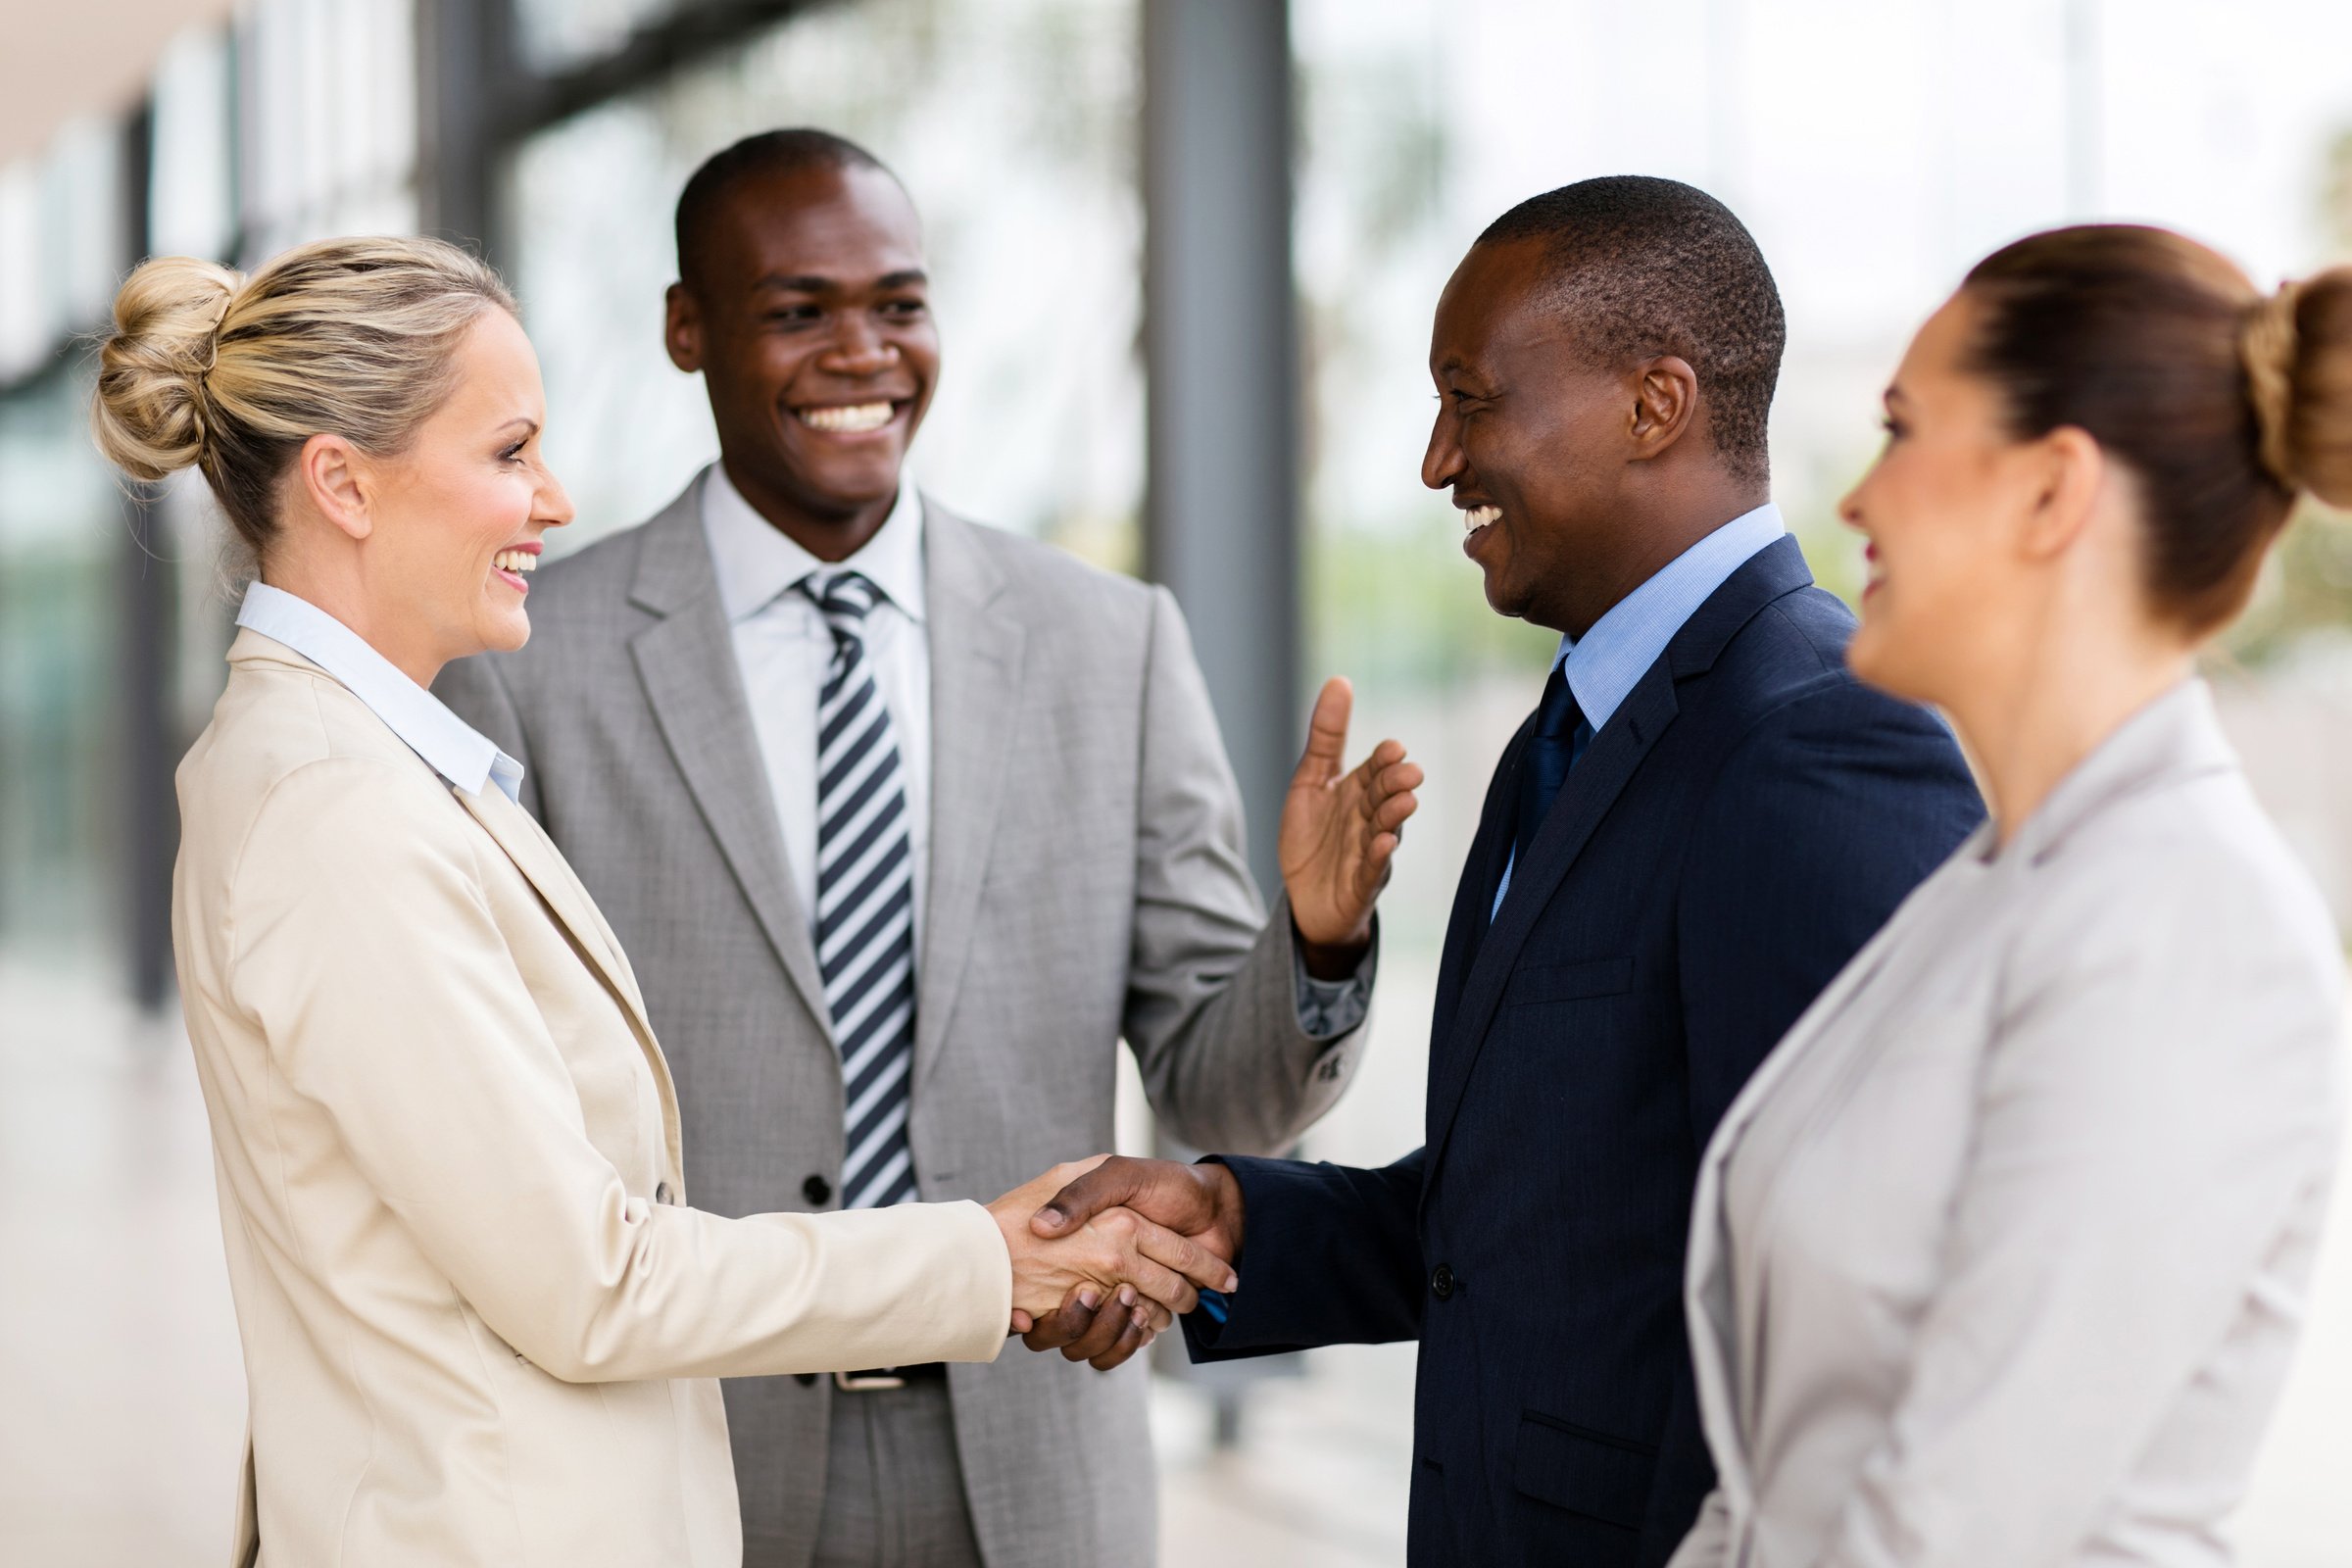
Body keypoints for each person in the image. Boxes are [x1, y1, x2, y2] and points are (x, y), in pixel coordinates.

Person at [94, 236, 1233, 1568]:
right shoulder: (333, 806)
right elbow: (590, 1282)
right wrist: (987, 1259)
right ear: (343, 481)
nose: (556, 500)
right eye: (510, 452)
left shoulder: (365, 766)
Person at [432, 129, 1417, 1568]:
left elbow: (1227, 1095)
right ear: (686, 330)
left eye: (898, 305)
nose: (862, 354)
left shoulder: (1108, 644)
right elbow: (511, 1130)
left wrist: (1314, 944)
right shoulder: (528, 665)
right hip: (692, 1458)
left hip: (1036, 1456)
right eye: (797, 310)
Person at [1025, 176, 1987, 1567]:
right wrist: (1233, 1215)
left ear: (1655, 406)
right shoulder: (1574, 728)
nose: (1435, 462)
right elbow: (1545, 1205)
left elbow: (1868, 1301)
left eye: (1471, 399)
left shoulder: (1819, 738)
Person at [1663, 227, 2352, 1567]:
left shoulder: (2188, 928)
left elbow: (1947, 1535)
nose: (1855, 501)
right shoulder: (1998, 884)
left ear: (2052, 493)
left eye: (1903, 430)